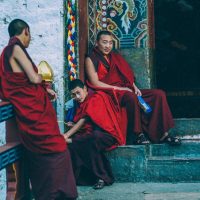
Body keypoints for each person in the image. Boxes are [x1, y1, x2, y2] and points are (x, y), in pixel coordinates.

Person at [0, 19, 77, 200]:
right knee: (58, 150)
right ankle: (58, 194)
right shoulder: (16, 48)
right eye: (30, 36)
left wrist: (45, 89)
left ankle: (48, 193)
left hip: (27, 108)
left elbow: (20, 81)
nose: (30, 40)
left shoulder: (6, 52)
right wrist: (42, 78)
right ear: (25, 31)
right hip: (31, 110)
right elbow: (34, 79)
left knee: (46, 152)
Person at [85, 30, 181, 145]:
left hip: (125, 89)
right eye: (104, 42)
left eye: (110, 43)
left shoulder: (115, 57)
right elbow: (95, 83)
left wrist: (134, 86)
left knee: (158, 94)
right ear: (97, 43)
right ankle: (138, 135)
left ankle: (162, 134)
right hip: (109, 93)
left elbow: (126, 75)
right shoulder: (91, 58)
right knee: (131, 97)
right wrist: (121, 89)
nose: (108, 46)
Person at [64, 79, 123, 190]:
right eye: (73, 94)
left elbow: (85, 119)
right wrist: (73, 126)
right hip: (89, 135)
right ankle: (85, 178)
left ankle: (102, 178)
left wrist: (67, 135)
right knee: (81, 143)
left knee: (93, 138)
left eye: (78, 92)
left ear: (85, 89)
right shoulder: (78, 103)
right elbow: (84, 124)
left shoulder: (96, 97)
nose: (77, 97)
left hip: (107, 134)